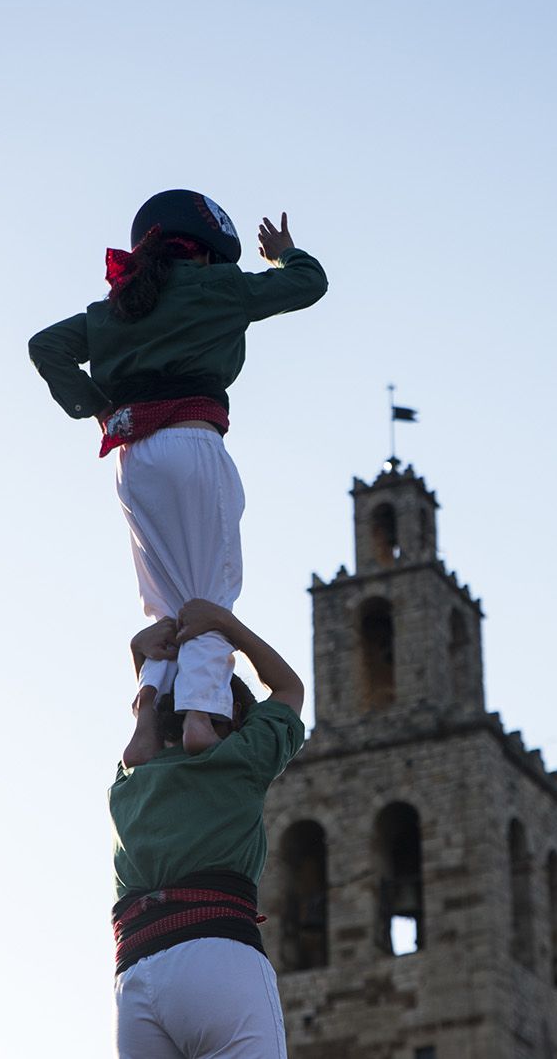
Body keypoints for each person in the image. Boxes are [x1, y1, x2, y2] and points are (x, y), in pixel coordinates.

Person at [29, 190, 327, 763]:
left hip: (132, 460)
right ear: (209, 252)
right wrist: (286, 254)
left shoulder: (117, 307)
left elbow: (45, 346)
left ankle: (146, 726)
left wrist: (96, 407)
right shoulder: (220, 288)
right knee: (209, 597)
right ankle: (199, 717)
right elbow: (309, 284)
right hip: (193, 440)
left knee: (164, 610)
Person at [111, 598, 306, 1059]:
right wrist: (224, 623)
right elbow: (289, 690)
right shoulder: (238, 761)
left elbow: (149, 734)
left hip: (135, 977)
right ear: (233, 721)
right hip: (215, 956)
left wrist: (144, 661)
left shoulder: (131, 782)